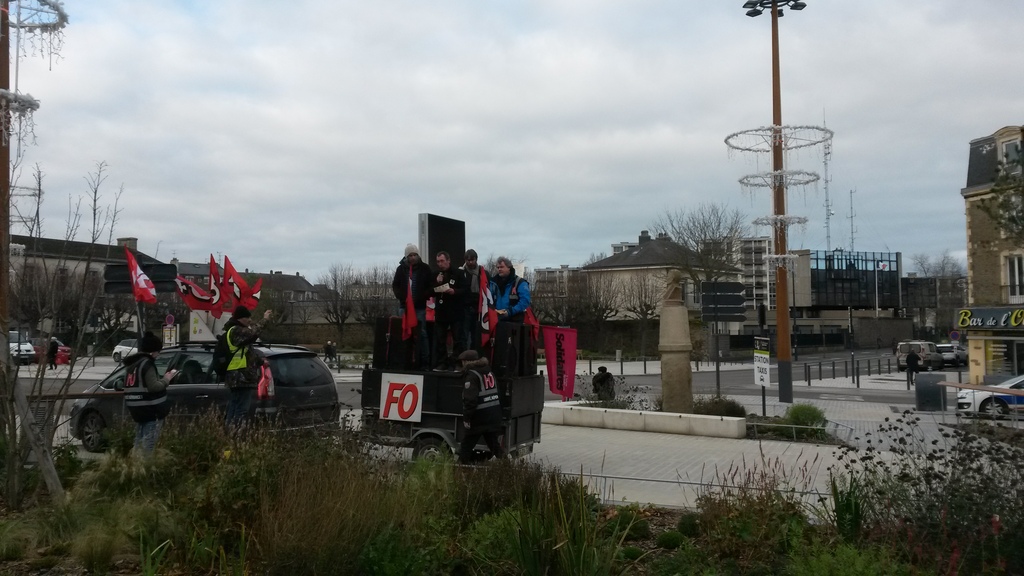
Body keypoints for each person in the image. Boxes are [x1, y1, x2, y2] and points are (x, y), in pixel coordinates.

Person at [122, 332, 177, 455]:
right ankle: (145, 467)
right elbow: (153, 386)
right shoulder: (147, 364)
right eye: (158, 351)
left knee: (139, 440)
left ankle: (135, 465)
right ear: (153, 351)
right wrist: (166, 379)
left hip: (136, 408)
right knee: (149, 444)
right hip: (151, 409)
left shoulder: (133, 365)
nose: (158, 355)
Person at [223, 305, 273, 427]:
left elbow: (247, 354)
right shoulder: (236, 330)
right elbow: (253, 333)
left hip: (238, 376)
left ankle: (229, 433)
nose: (250, 320)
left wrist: (261, 362)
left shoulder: (236, 332)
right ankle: (235, 434)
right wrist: (265, 319)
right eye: (247, 318)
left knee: (235, 406)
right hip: (240, 376)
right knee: (241, 409)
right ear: (240, 318)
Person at [458, 349, 505, 464]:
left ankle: (458, 471)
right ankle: (508, 467)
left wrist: (467, 419)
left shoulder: (472, 375)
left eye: (462, 362)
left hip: (479, 418)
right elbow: (498, 394)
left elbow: (470, 401)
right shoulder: (489, 372)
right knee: (495, 446)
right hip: (493, 416)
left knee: (466, 447)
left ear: (466, 362)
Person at [392, 243, 434, 368]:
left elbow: (430, 287)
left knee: (422, 333)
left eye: (415, 255)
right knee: (404, 332)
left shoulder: (425, 269)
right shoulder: (401, 269)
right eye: (410, 255)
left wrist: (422, 296)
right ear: (406, 257)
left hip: (419, 307)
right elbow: (395, 285)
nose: (413, 257)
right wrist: (402, 297)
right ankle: (404, 361)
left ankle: (424, 362)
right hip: (404, 307)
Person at [432, 251, 468, 370]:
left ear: (448, 260)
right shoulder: (436, 274)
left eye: (442, 261)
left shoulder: (458, 273)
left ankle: (457, 363)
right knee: (440, 339)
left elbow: (465, 290)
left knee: (458, 339)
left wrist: (454, 291)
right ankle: (442, 363)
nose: (440, 264)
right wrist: (437, 282)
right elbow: (430, 291)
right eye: (438, 261)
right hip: (441, 312)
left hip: (455, 311)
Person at [490, 256, 531, 323]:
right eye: (498, 267)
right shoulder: (493, 283)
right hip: (497, 320)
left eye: (502, 267)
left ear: (509, 267)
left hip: (515, 322)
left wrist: (510, 311)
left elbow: (525, 301)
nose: (499, 269)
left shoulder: (520, 283)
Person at [461, 249, 483, 352]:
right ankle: (464, 356)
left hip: (477, 308)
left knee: (476, 335)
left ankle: (474, 355)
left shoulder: (482, 273)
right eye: (468, 260)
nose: (470, 262)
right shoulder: (461, 272)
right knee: (463, 335)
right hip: (464, 307)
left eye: (472, 260)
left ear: (476, 260)